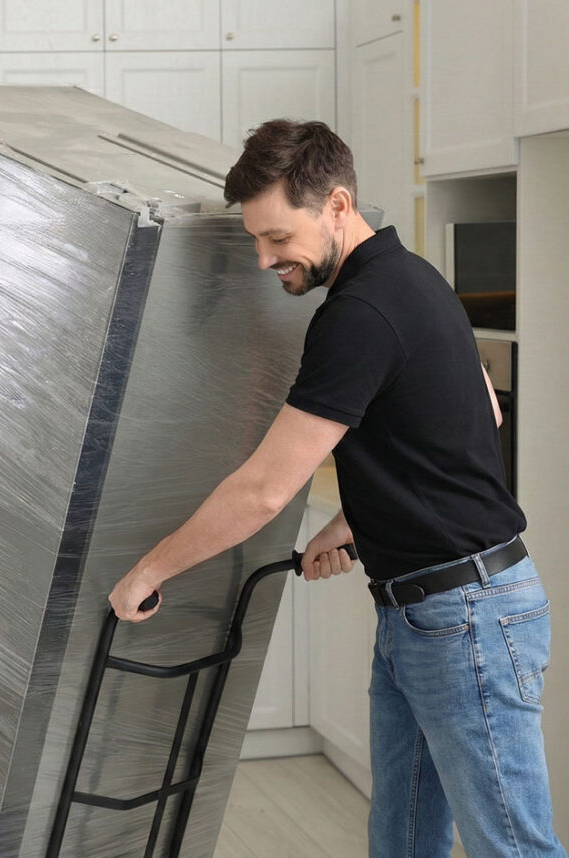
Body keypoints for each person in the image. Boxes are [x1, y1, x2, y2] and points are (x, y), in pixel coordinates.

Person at [109, 120, 564, 856]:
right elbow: (478, 411)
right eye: (255, 240)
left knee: (513, 847)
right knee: (403, 839)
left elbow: (263, 489)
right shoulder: (411, 278)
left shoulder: (358, 315)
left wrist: (148, 571)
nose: (264, 259)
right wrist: (357, 520)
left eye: (278, 238)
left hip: (464, 619)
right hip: (430, 613)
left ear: (337, 206)